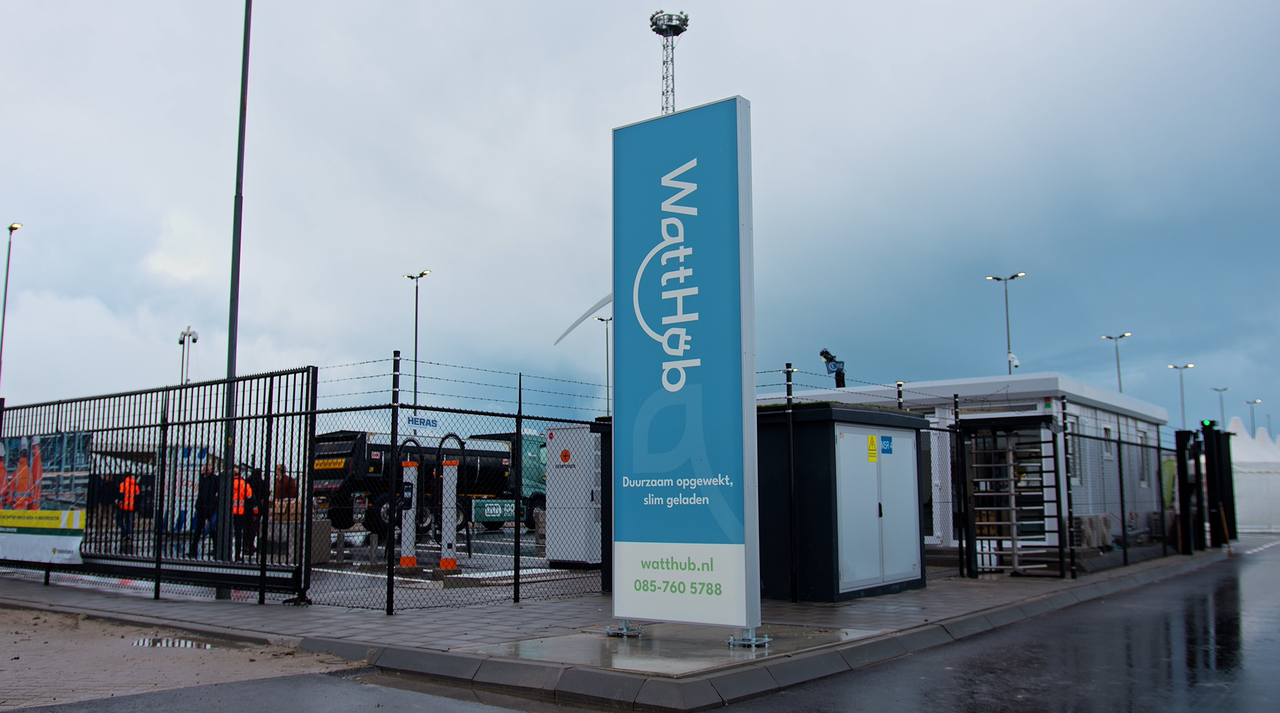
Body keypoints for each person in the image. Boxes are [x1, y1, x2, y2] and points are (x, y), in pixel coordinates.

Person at [189, 463, 218, 558]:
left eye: (208, 469)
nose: (206, 471)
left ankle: (216, 548)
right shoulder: (202, 478)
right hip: (202, 506)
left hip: (210, 507)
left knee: (212, 529)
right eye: (205, 469)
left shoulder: (214, 479)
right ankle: (193, 549)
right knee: (199, 529)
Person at [244, 466, 268, 558]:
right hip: (256, 507)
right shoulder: (261, 482)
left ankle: (246, 544)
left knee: (246, 526)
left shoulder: (247, 481)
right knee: (254, 526)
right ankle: (251, 543)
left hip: (246, 506)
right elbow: (264, 494)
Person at [231, 466, 252, 561]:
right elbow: (250, 496)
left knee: (226, 532)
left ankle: (224, 552)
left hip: (229, 512)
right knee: (239, 533)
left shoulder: (228, 484)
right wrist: (255, 511)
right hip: (241, 511)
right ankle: (238, 553)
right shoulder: (244, 484)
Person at [117, 472, 140, 553]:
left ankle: (124, 532)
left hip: (123, 506)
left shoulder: (123, 484)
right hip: (131, 506)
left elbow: (121, 495)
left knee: (119, 520)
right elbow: (138, 497)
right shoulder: (135, 485)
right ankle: (128, 533)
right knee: (128, 521)